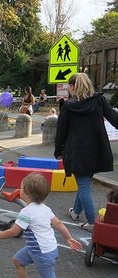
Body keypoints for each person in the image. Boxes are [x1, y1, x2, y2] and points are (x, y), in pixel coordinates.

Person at [0, 173, 82, 278]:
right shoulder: (44, 208)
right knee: (18, 260)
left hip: (41, 252)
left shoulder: (26, 212)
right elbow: (58, 223)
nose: (19, 188)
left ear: (27, 194)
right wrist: (68, 238)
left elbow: (14, 231)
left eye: (21, 187)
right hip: (41, 248)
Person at [55, 72, 118, 232]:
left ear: (72, 86)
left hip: (77, 151)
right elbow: (115, 119)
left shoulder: (68, 106)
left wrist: (58, 151)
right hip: (97, 149)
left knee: (83, 185)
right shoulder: (99, 100)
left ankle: (91, 222)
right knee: (84, 183)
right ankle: (76, 212)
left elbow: (61, 131)